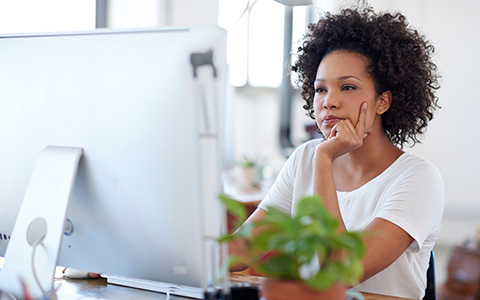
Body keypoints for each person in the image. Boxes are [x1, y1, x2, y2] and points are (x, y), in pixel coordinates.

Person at [229, 5, 444, 299]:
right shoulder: (304, 157)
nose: (329, 102)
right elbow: (244, 247)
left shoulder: (419, 178)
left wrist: (324, 158)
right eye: (320, 89)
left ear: (383, 102)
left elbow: (341, 271)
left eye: (347, 87)